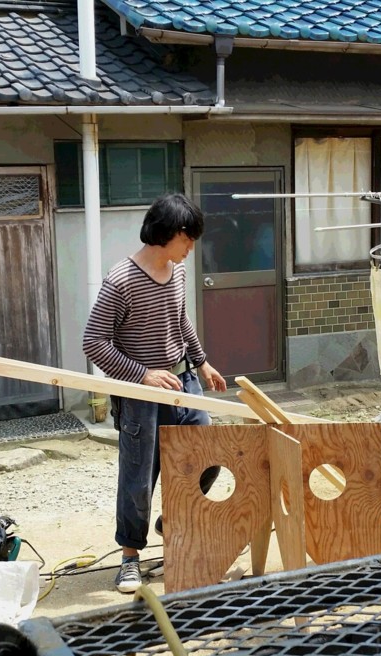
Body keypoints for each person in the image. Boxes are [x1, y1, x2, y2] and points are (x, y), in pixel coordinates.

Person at [82, 193, 227, 593]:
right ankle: (130, 558)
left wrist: (201, 362)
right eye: (189, 240)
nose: (191, 249)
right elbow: (94, 342)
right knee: (139, 479)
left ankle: (174, 524)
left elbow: (179, 319)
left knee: (209, 457)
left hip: (184, 384)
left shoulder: (177, 273)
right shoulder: (121, 281)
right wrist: (142, 375)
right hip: (140, 398)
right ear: (174, 234)